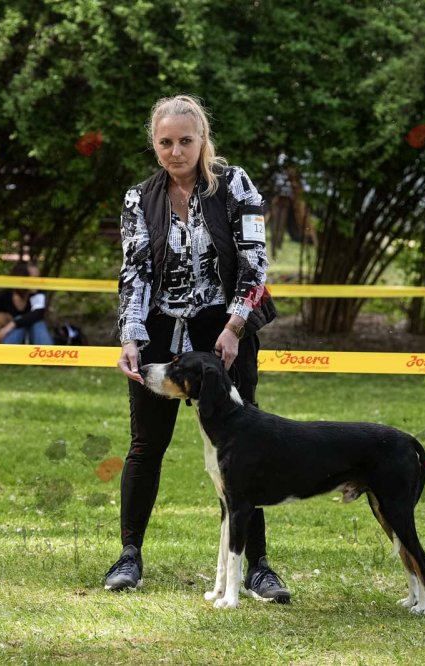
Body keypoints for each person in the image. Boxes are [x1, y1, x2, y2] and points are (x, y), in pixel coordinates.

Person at [105, 95, 288, 602]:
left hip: (224, 327)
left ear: (203, 139)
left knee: (244, 448)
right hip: (160, 330)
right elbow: (134, 274)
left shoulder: (235, 185)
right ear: (154, 144)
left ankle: (258, 567)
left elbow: (255, 264)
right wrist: (130, 337)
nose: (176, 151)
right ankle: (129, 556)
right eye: (165, 142)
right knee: (146, 445)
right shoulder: (139, 199)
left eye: (185, 141)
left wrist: (234, 327)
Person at [0, 261, 54, 345]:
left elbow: (38, 314)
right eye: (34, 278)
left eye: (39, 277)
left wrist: (14, 323)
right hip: (8, 334)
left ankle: (46, 352)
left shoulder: (38, 293)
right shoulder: (4, 295)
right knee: (20, 326)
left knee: (37, 324)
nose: (38, 281)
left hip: (31, 331)